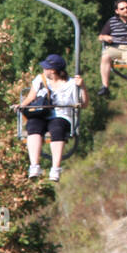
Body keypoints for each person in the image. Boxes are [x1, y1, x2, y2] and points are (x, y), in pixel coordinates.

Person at [19, 54, 82, 182]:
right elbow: (31, 97)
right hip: (43, 113)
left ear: (52, 71)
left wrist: (82, 87)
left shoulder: (71, 84)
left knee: (57, 128)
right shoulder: (40, 79)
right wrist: (21, 106)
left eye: (45, 68)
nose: (43, 70)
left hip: (61, 115)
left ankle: (55, 168)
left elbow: (83, 104)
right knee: (33, 126)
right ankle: (34, 166)